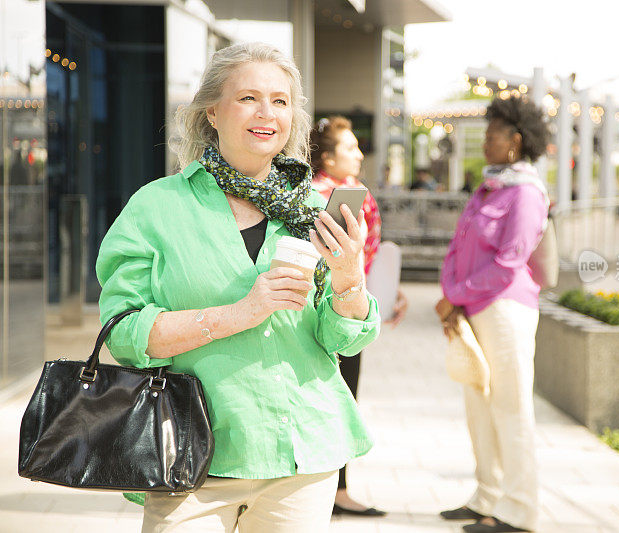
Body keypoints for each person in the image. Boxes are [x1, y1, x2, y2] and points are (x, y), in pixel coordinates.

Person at [96, 42, 381, 533]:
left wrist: (349, 281)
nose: (266, 113)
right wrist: (239, 313)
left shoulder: (313, 206)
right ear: (212, 110)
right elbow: (121, 333)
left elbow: (346, 338)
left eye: (281, 100)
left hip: (301, 458)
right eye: (248, 97)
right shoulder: (157, 207)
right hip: (189, 456)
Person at [437, 95, 550, 533]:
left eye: (492, 136)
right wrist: (451, 295)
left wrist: (458, 294)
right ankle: (488, 497)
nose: (485, 143)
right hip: (472, 310)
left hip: (505, 312)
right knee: (478, 405)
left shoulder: (526, 194)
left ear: (515, 141)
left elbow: (509, 261)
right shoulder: (488, 188)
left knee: (511, 406)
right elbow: (458, 246)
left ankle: (521, 511)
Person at [309, 115, 408, 517]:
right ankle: (336, 489)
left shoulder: (344, 192)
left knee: (340, 394)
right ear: (328, 158)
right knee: (341, 395)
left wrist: (387, 288)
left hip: (349, 304)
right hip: (336, 310)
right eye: (350, 148)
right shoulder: (328, 195)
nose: (359, 154)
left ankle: (335, 486)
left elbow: (366, 253)